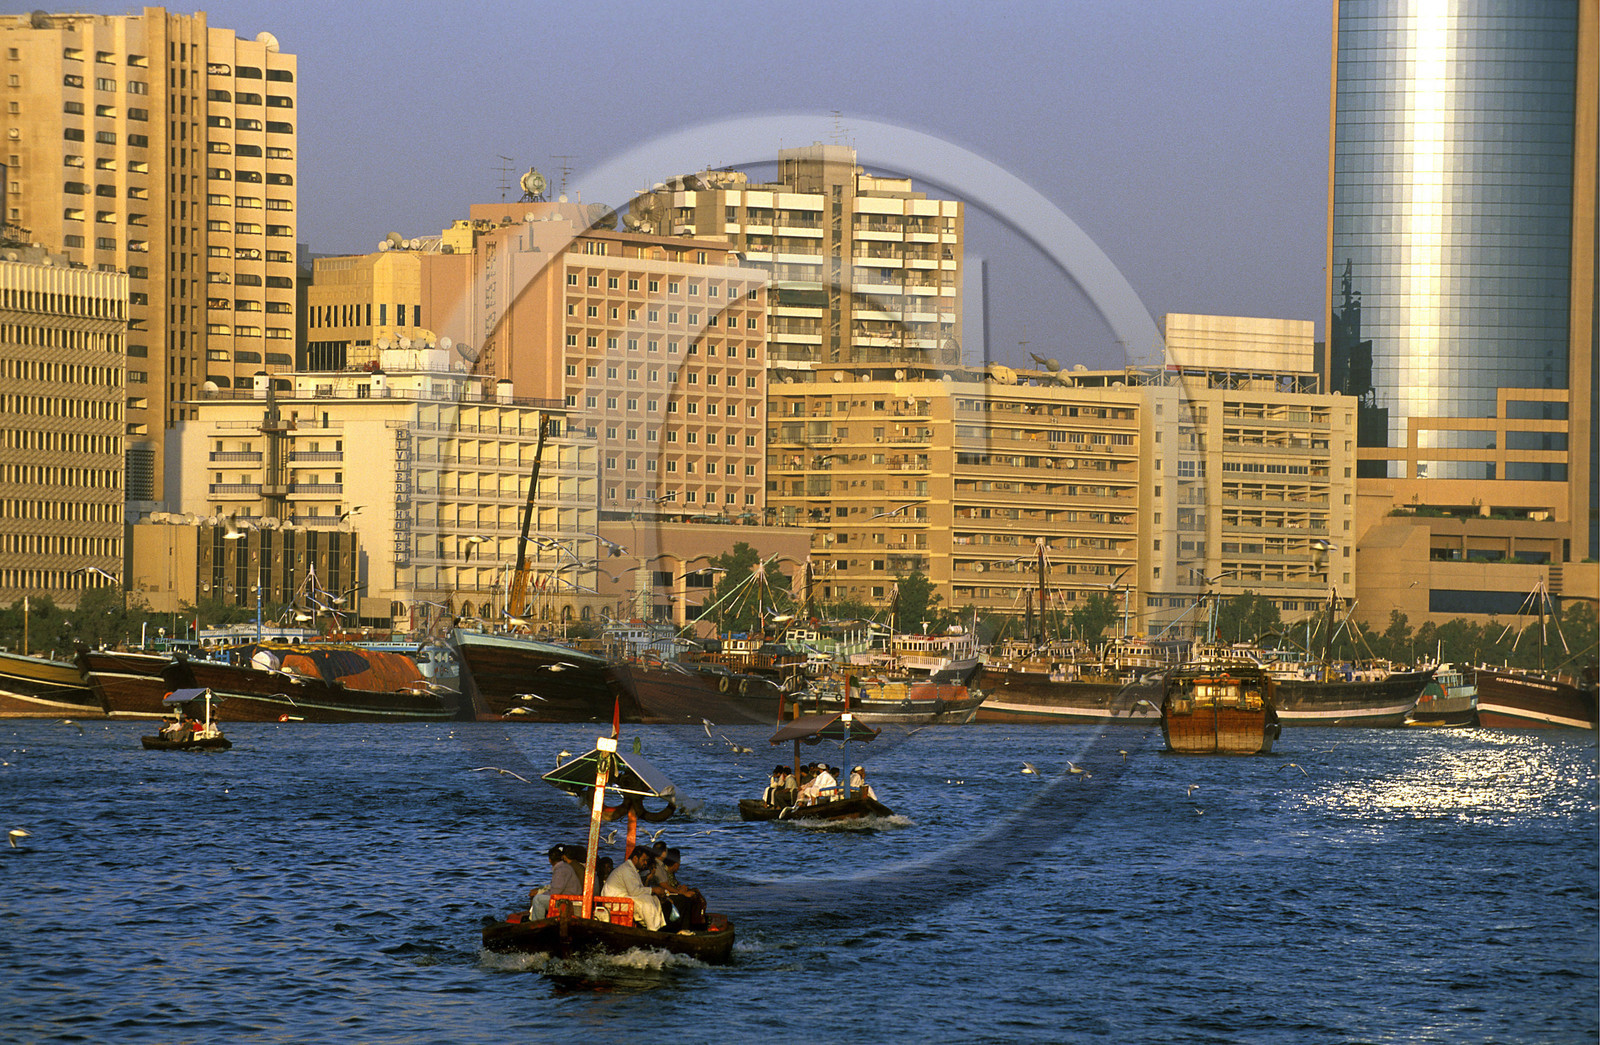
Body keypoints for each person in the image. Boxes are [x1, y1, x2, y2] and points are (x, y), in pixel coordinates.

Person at [600, 845, 664, 931]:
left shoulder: (632, 870)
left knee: (654, 898)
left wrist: (652, 890)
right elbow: (634, 892)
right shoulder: (626, 869)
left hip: (622, 900)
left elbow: (638, 890)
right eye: (643, 860)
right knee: (647, 899)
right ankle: (652, 929)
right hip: (614, 903)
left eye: (646, 861)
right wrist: (653, 889)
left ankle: (658, 927)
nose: (645, 863)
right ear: (635, 858)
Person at [652, 847, 707, 930]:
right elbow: (664, 886)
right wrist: (681, 892)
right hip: (664, 895)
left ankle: (697, 923)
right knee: (687, 899)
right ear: (676, 864)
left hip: (669, 893)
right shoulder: (661, 868)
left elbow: (672, 885)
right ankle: (686, 927)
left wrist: (680, 888)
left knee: (695, 892)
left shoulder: (664, 869)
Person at [529, 844, 582, 917]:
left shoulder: (561, 870)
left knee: (537, 899)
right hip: (569, 898)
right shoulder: (565, 866)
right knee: (540, 897)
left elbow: (555, 892)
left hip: (568, 901)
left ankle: (539, 923)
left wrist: (540, 894)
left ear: (550, 860)